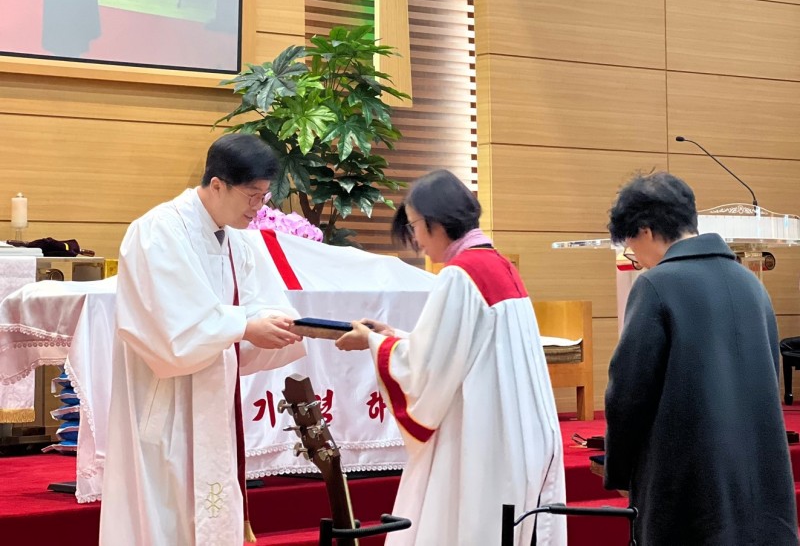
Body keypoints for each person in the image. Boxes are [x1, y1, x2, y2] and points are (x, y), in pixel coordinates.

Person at [335, 170, 567, 545]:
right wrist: (393, 337)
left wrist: (373, 344)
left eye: (414, 227)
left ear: (436, 222)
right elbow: (462, 350)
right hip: (518, 433)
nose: (416, 241)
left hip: (485, 438)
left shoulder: (461, 274)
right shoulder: (499, 264)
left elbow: (426, 370)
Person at [99, 134, 306, 546]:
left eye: (264, 197)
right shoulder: (157, 231)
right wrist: (245, 327)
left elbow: (262, 302)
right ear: (217, 185)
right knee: (165, 512)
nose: (258, 207)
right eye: (251, 195)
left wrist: (280, 325)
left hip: (212, 396)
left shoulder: (239, 237)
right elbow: (173, 328)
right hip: (167, 403)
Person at [604, 171, 798, 545]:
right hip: (759, 485)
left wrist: (621, 472)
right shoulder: (751, 286)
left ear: (644, 230)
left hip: (689, 488)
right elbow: (769, 375)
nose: (637, 260)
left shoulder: (656, 286)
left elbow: (628, 394)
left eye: (629, 247)